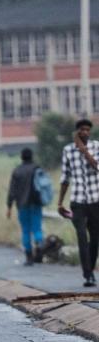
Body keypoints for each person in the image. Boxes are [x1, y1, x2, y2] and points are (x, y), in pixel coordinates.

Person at [58, 117, 99, 287]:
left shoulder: (96, 146)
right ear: (77, 131)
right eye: (82, 129)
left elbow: (96, 166)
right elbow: (65, 177)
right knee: (82, 236)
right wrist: (60, 203)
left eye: (88, 130)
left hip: (96, 200)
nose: (85, 133)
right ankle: (88, 274)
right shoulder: (68, 150)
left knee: (95, 238)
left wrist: (84, 151)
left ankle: (90, 269)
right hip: (78, 201)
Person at [7, 147, 47, 266]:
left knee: (25, 230)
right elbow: (44, 185)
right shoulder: (37, 168)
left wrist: (9, 206)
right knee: (37, 228)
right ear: (32, 156)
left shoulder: (17, 171)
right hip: (36, 203)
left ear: (21, 157)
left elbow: (12, 190)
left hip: (22, 205)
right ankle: (39, 243)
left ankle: (29, 258)